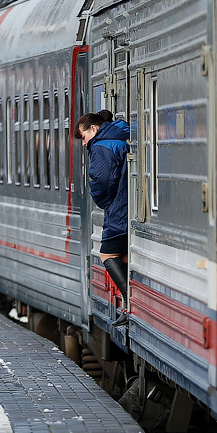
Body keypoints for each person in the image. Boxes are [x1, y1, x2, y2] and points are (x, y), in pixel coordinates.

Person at [74, 109, 131, 326]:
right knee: (122, 256)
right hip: (127, 203)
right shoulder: (119, 136)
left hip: (119, 207)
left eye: (84, 136)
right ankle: (127, 306)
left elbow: (101, 180)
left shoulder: (101, 146)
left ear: (94, 129)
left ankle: (128, 301)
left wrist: (103, 201)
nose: (83, 143)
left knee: (107, 253)